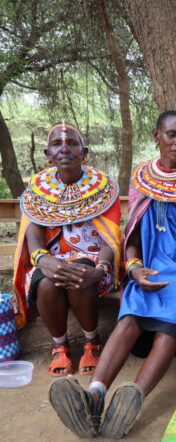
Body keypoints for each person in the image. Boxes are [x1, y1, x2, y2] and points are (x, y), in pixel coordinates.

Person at [48, 110, 176, 439]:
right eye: (172, 135)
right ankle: (94, 395)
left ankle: (133, 397)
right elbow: (131, 239)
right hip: (150, 265)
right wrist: (134, 268)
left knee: (168, 330)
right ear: (156, 135)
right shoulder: (142, 179)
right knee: (129, 318)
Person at [13, 120, 122, 376]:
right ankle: (60, 347)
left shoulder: (103, 187)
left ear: (84, 152)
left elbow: (110, 237)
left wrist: (101, 268)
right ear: (48, 154)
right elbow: (34, 237)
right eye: (57, 144)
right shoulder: (37, 190)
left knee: (80, 274)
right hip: (51, 262)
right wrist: (43, 261)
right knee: (48, 283)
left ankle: (91, 342)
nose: (65, 149)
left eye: (73, 143)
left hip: (95, 261)